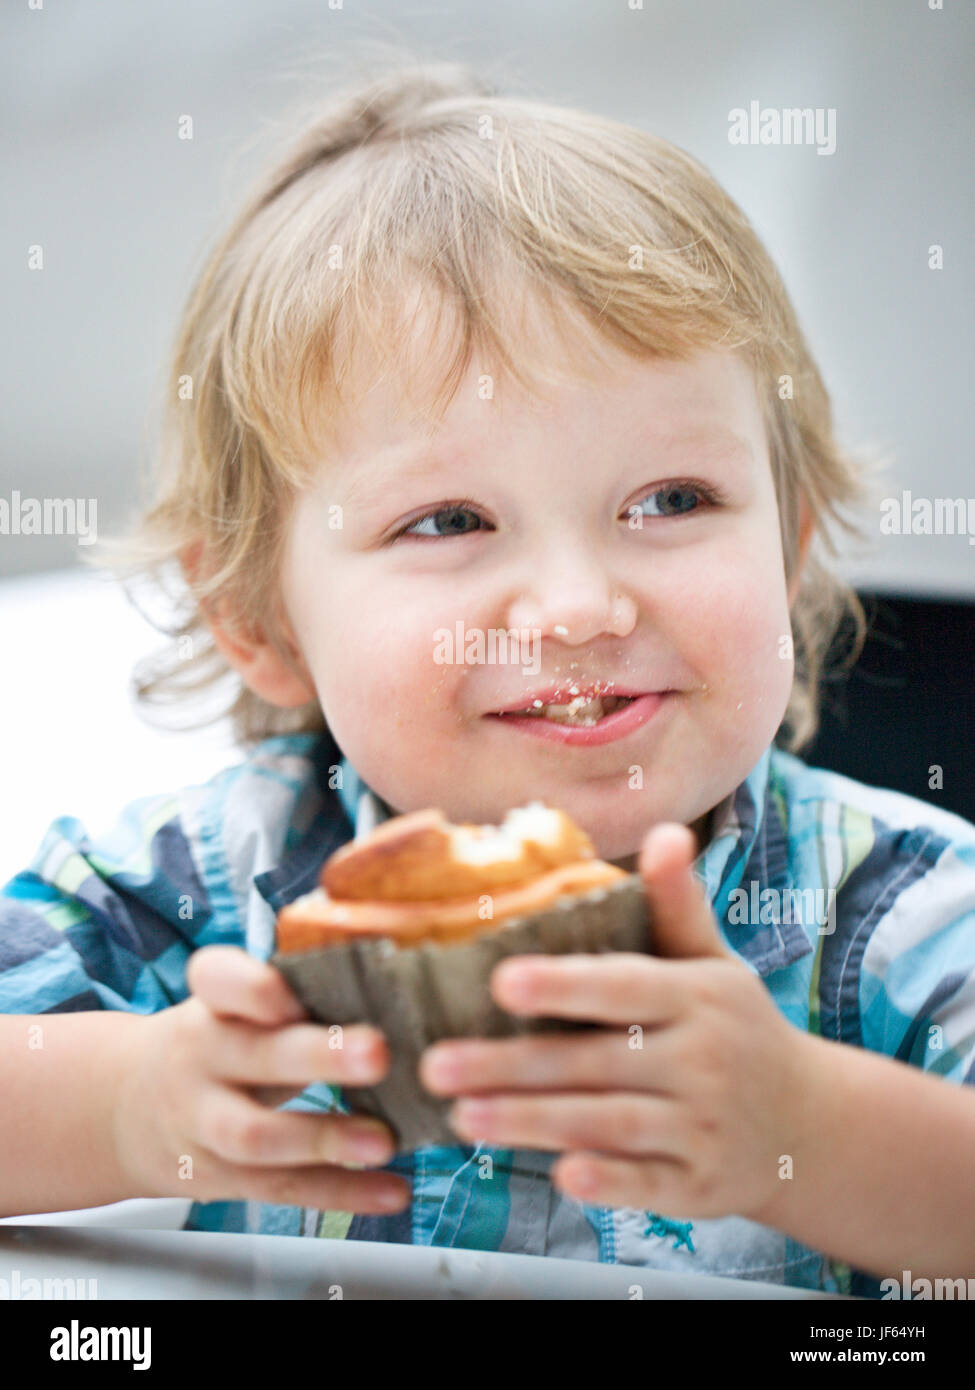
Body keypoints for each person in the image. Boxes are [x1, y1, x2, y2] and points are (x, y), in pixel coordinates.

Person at [3, 61, 974, 1299]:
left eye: (672, 500)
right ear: (260, 621)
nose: (578, 605)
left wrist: (810, 1129)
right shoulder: (205, 883)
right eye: (450, 520)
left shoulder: (895, 913)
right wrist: (131, 1104)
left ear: (784, 547)